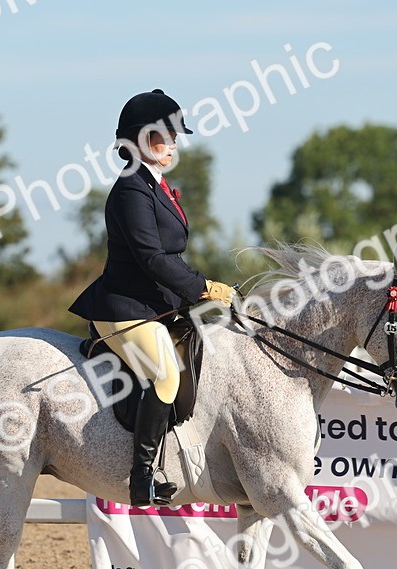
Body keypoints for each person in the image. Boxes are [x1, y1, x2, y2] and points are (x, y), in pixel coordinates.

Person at [68, 89, 233, 507]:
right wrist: (203, 287)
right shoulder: (130, 190)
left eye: (176, 135)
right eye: (167, 135)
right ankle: (141, 479)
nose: (175, 142)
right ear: (142, 140)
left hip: (156, 305)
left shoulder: (156, 187)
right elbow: (151, 258)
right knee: (165, 374)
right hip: (123, 307)